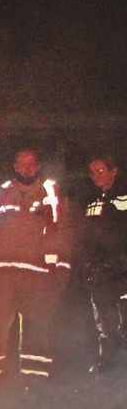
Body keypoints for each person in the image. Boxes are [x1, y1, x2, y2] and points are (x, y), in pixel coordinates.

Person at [0, 148, 69, 385]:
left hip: (37, 274)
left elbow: (62, 232)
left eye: (32, 163)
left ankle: (34, 382)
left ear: (39, 166)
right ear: (14, 166)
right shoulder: (0, 192)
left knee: (36, 326)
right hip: (1, 272)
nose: (27, 168)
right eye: (22, 163)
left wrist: (60, 271)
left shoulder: (50, 192)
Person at [80, 154, 127, 376]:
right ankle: (107, 364)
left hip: (123, 268)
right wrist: (89, 264)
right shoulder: (91, 199)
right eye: (92, 172)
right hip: (100, 270)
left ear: (113, 171)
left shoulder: (124, 195)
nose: (96, 176)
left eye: (100, 170)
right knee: (105, 319)